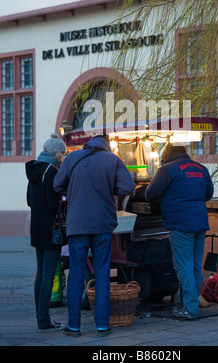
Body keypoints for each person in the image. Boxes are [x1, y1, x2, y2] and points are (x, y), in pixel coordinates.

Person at [53, 134, 136, 337]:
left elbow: (57, 185)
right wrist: (108, 189)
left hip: (77, 225)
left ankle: (74, 326)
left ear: (88, 144)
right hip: (102, 225)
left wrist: (73, 191)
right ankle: (102, 326)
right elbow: (128, 187)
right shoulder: (113, 160)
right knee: (102, 275)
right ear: (107, 146)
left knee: (75, 276)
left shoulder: (72, 158)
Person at [145, 143, 214, 320]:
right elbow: (208, 194)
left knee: (183, 267)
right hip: (200, 223)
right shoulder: (201, 169)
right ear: (185, 153)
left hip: (181, 224)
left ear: (167, 154)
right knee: (194, 266)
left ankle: (190, 308)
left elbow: (150, 194)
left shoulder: (167, 169)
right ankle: (189, 302)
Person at [26, 132, 66, 331]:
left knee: (41, 273)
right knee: (48, 274)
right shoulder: (51, 171)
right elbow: (52, 203)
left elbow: (29, 201)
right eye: (62, 155)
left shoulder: (34, 169)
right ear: (57, 154)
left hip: (36, 228)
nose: (62, 158)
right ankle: (44, 319)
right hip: (52, 229)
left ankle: (40, 317)